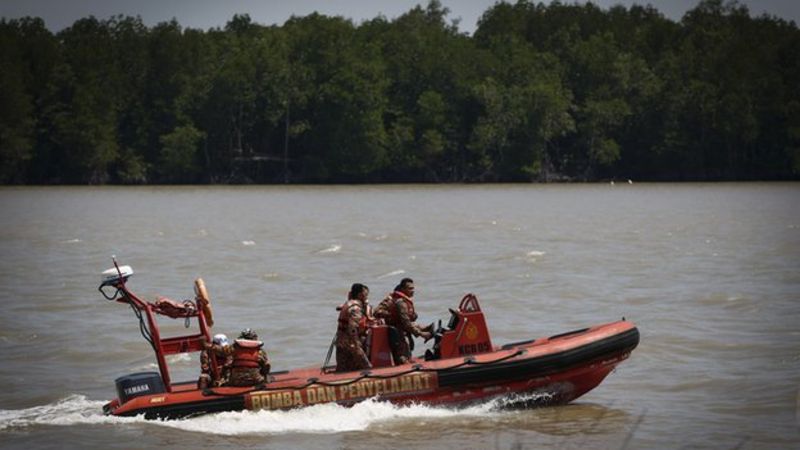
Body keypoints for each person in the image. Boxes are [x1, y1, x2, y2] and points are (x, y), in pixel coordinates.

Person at [373, 277, 433, 364]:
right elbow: (406, 323)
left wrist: (422, 328)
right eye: (410, 288)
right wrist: (421, 334)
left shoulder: (405, 301)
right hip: (398, 333)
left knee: (407, 352)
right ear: (403, 289)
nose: (413, 291)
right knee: (402, 358)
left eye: (413, 288)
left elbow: (409, 320)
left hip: (402, 331)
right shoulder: (400, 303)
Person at [335, 283, 373, 372]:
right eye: (365, 295)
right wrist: (357, 346)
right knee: (366, 367)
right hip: (350, 343)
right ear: (360, 295)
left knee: (343, 369)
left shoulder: (348, 304)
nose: (366, 298)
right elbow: (353, 329)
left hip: (341, 342)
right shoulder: (356, 308)